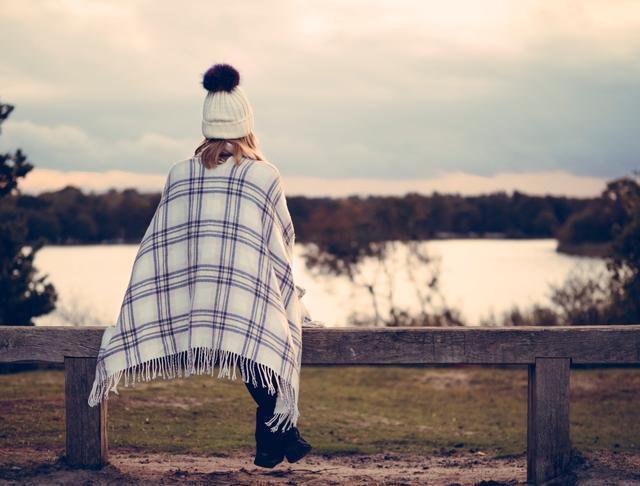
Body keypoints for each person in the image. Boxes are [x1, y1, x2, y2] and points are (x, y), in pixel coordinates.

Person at [88, 63, 319, 469]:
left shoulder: (181, 175)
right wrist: (285, 294)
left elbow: (162, 246)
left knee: (254, 332)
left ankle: (275, 438)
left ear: (207, 128)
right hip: (245, 296)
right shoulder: (263, 175)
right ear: (246, 126)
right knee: (261, 331)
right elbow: (282, 240)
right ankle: (278, 434)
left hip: (196, 301)